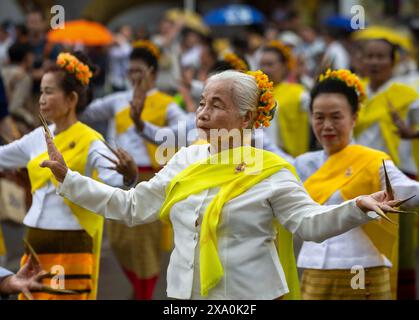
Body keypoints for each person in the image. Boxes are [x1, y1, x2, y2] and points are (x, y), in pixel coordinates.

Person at [42, 70, 406, 300]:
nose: (202, 113)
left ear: (246, 117)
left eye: (216, 105)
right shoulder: (185, 160)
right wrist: (68, 179)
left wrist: (356, 208)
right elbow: (133, 207)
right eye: (202, 103)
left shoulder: (271, 171)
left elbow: (309, 224)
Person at [0, 51, 137, 300]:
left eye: (49, 92)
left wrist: (129, 176)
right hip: (34, 243)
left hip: (72, 242)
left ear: (71, 98)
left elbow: (114, 182)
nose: (41, 100)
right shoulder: (37, 137)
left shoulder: (91, 140)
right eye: (41, 91)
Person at [294, 69, 419, 300]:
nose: (327, 125)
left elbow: (407, 191)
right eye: (319, 117)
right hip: (314, 269)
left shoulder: (373, 160)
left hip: (361, 267)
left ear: (354, 117)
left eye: (336, 116)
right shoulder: (302, 164)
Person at [81, 40, 186, 300]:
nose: (134, 76)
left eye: (139, 70)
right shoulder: (118, 100)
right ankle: (141, 290)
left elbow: (179, 135)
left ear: (151, 72)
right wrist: (81, 80)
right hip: (119, 177)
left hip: (151, 178)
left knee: (145, 242)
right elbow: (86, 112)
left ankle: (144, 294)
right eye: (131, 71)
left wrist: (142, 124)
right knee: (118, 240)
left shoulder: (166, 104)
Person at [354, 39, 419, 299]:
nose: (374, 62)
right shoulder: (357, 93)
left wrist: (411, 133)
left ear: (393, 62)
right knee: (364, 245)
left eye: (380, 57)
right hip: (361, 177)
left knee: (398, 247)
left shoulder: (406, 95)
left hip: (398, 178)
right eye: (369, 56)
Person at [259, 40, 312, 158]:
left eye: (270, 64)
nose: (265, 69)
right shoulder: (256, 94)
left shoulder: (299, 93)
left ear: (283, 66)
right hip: (261, 160)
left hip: (291, 159)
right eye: (262, 64)